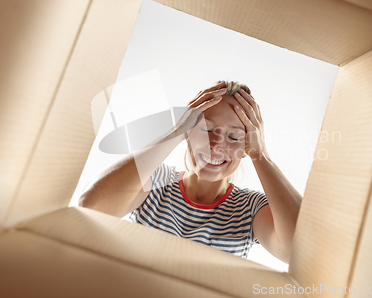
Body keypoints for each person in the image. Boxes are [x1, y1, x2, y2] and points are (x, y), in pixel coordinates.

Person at [79, 81, 302, 263]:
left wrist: (260, 155)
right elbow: (91, 207)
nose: (215, 145)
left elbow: (301, 252)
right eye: (205, 129)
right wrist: (174, 131)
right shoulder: (155, 180)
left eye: (233, 137)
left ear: (247, 148)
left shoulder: (250, 209)